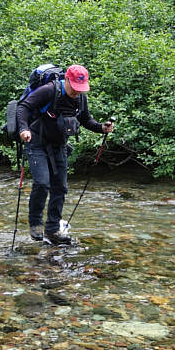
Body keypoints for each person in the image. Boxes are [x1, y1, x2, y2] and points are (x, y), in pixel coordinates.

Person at [17, 64, 114, 245]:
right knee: (42, 183)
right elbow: (23, 107)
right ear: (67, 80)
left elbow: (86, 120)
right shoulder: (49, 90)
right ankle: (35, 224)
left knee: (60, 187)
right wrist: (24, 129)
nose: (77, 92)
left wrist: (102, 128)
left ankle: (53, 230)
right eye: (75, 88)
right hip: (36, 142)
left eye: (81, 89)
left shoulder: (80, 99)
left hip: (59, 146)